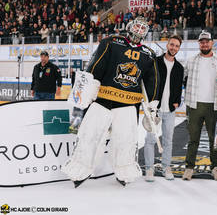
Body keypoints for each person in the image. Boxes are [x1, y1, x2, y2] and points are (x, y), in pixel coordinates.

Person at [61, 17, 159, 188]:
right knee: (89, 135)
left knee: (126, 140)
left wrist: (152, 106)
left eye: (144, 28)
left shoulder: (149, 54)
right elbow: (95, 66)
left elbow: (152, 81)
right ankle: (79, 169)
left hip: (128, 104)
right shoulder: (111, 42)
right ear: (129, 26)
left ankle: (124, 171)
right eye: (137, 25)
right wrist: (86, 91)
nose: (139, 30)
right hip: (103, 99)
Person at [182, 30, 217, 181]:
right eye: (202, 41)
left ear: (212, 42)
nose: (204, 44)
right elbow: (183, 78)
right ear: (199, 43)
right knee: (193, 139)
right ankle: (189, 167)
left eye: (207, 41)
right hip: (194, 104)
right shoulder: (191, 61)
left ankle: (216, 167)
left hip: (215, 105)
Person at [144, 34, 184, 182]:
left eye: (177, 46)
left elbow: (179, 87)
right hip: (155, 108)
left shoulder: (179, 67)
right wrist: (149, 101)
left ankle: (166, 166)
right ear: (167, 45)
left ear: (179, 48)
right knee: (150, 139)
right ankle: (149, 168)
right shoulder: (155, 62)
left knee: (168, 140)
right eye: (172, 45)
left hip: (170, 110)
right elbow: (147, 81)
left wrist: (177, 101)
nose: (174, 48)